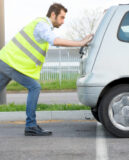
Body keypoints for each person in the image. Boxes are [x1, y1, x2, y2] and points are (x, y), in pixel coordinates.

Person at [0, 3, 93, 136]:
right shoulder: (42, 25)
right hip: (11, 63)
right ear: (53, 15)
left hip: (6, 60)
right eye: (61, 17)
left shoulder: (41, 25)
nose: (63, 21)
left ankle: (31, 125)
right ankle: (31, 126)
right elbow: (55, 41)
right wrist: (80, 43)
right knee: (35, 87)